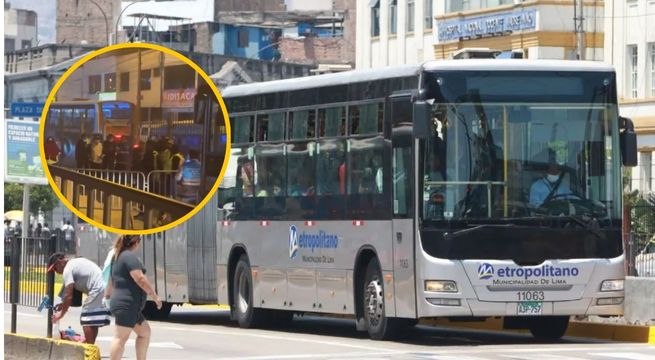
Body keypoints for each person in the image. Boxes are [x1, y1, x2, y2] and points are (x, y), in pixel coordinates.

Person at [104, 235, 162, 360]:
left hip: (130, 307)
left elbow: (112, 279)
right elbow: (140, 278)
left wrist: (108, 295)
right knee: (120, 338)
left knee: (145, 332)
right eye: (140, 240)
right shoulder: (129, 257)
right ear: (135, 242)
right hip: (127, 305)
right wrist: (155, 296)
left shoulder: (119, 256)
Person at [48, 252, 110, 344]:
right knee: (92, 319)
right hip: (105, 286)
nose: (56, 272)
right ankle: (90, 344)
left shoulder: (67, 269)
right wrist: (63, 304)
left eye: (55, 268)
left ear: (60, 261)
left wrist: (61, 314)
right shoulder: (75, 262)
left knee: (86, 319)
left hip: (97, 288)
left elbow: (69, 295)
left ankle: (89, 345)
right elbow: (69, 295)